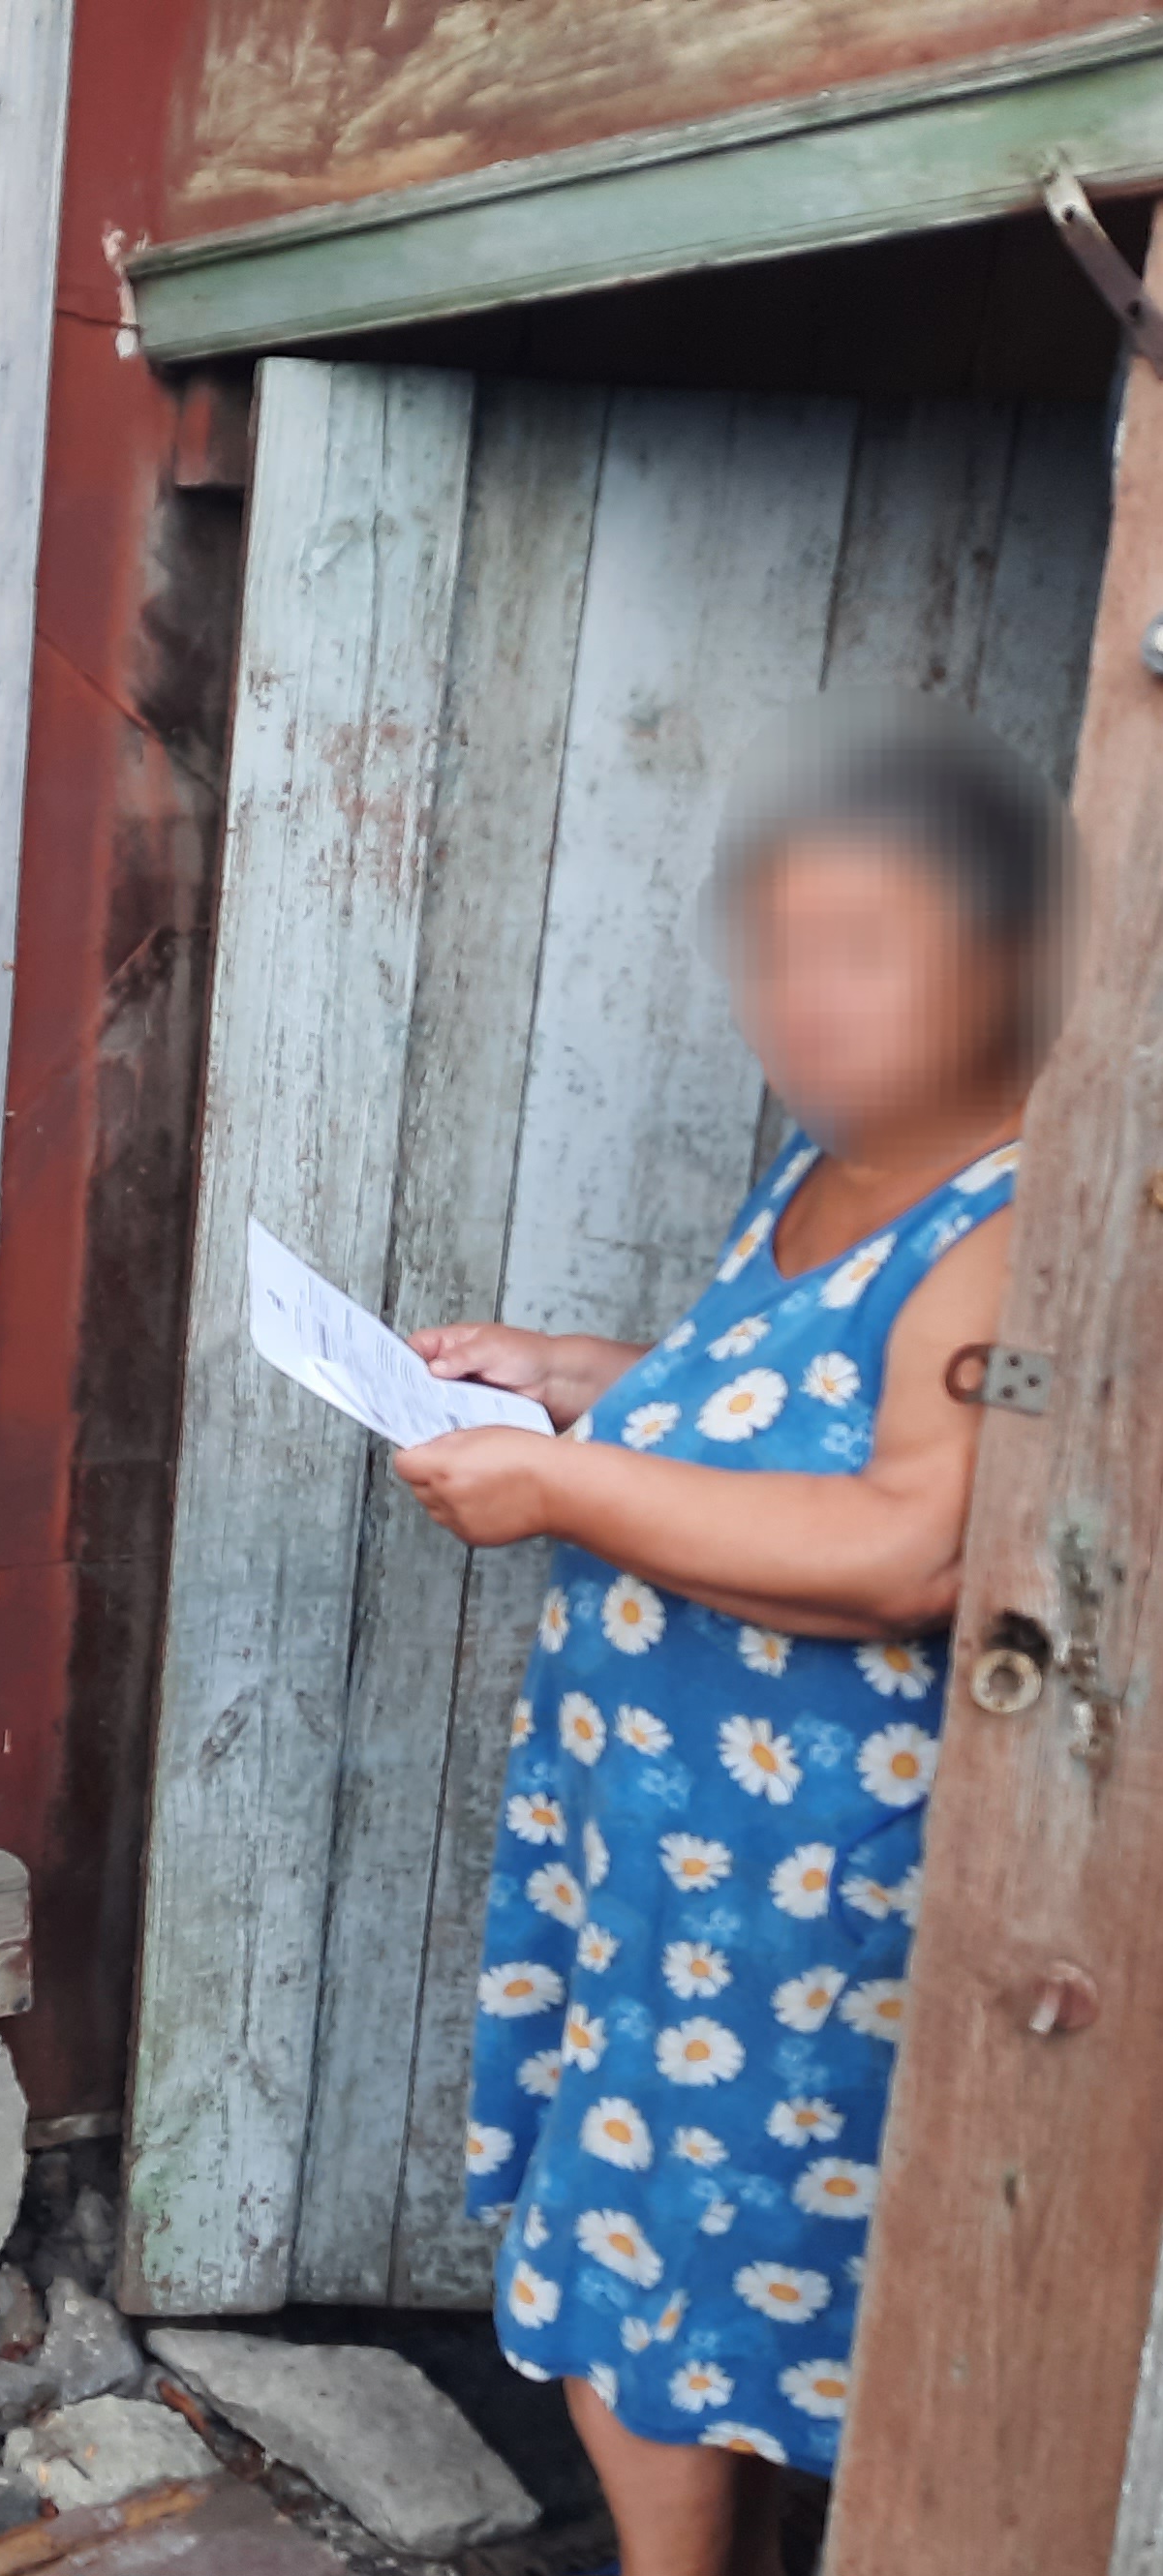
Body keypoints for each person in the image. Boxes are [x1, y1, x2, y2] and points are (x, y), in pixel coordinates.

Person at [393, 699, 1062, 2576]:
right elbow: (784, 1406)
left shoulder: (1003, 1218)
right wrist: (580, 1379)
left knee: (658, 2265)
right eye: (777, 952)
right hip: (679, 1868)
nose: (804, 998)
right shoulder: (842, 1153)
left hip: (811, 1901)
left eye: (862, 949)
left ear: (1000, 959)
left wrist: (568, 1488)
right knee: (702, 2247)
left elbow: (910, 1543)